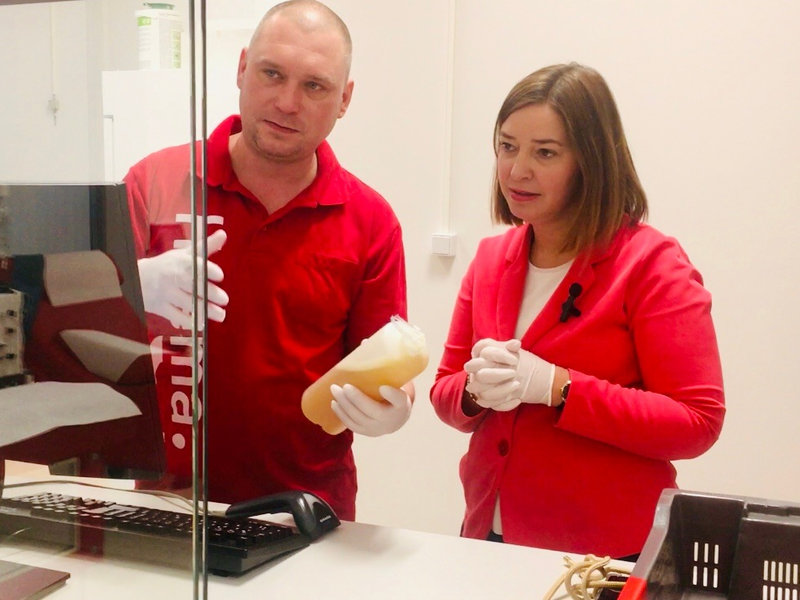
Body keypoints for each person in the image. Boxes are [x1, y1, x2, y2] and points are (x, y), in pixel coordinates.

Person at [124, 0, 414, 521]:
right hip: (162, 503)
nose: (286, 102)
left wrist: (395, 407)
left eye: (315, 86)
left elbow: (385, 358)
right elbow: (74, 345)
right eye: (271, 73)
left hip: (302, 512)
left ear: (344, 99)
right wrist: (127, 287)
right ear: (241, 68)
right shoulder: (156, 182)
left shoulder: (371, 221)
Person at [429, 63, 725, 558]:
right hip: (489, 538)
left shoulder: (651, 264)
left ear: (591, 161)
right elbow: (445, 390)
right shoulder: (488, 260)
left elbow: (698, 422)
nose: (517, 170)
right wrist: (474, 391)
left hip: (602, 556)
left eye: (545, 152)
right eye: (507, 146)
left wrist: (559, 388)